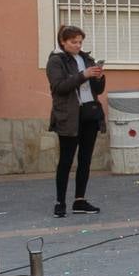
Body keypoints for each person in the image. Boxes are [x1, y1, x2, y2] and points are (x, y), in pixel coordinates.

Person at [46, 24, 107, 218]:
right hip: (69, 116)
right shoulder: (56, 61)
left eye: (80, 42)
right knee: (66, 160)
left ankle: (79, 200)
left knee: (85, 159)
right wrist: (83, 75)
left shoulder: (86, 59)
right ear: (63, 42)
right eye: (74, 42)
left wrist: (99, 77)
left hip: (89, 113)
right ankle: (60, 202)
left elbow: (97, 90)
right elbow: (59, 87)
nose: (78, 45)